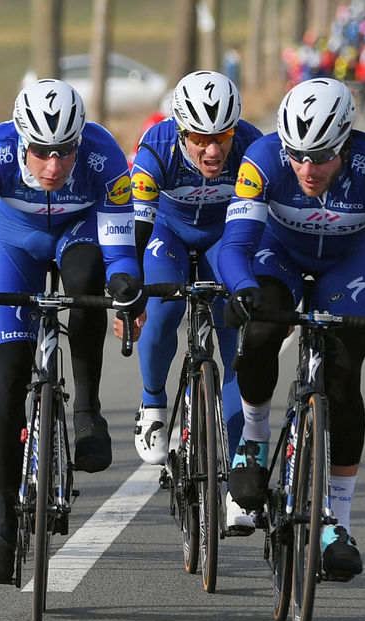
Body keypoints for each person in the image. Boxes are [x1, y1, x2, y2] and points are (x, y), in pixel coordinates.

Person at [219, 78, 365, 578]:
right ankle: (252, 439)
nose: (307, 169)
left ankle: (338, 520)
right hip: (280, 254)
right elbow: (235, 246)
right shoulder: (264, 158)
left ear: (346, 142)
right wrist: (242, 287)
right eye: (297, 156)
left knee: (342, 380)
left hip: (348, 263)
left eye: (320, 157)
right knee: (260, 333)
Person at [0, 79, 145, 584]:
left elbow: (120, 248)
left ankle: (87, 412)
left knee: (87, 280)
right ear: (20, 141)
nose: (54, 167)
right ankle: (1, 524)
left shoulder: (104, 155)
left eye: (64, 152)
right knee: (9, 376)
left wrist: (126, 277)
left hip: (77, 234)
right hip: (14, 242)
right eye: (40, 153)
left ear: (80, 141)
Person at [126, 70, 263, 533]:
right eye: (200, 139)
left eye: (222, 136)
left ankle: (238, 485)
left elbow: (272, 223)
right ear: (181, 131)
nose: (212, 150)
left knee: (236, 341)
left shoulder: (252, 146)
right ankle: (152, 405)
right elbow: (137, 229)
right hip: (167, 232)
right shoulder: (155, 147)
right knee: (163, 311)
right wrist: (131, 292)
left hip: (225, 237)